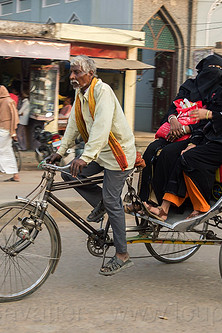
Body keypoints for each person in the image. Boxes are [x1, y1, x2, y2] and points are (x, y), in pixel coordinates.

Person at [48, 55, 136, 276]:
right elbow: (73, 126)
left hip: (118, 155)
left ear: (90, 73)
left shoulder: (102, 91)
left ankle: (122, 255)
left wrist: (85, 157)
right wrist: (60, 152)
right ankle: (103, 203)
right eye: (71, 72)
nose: (72, 76)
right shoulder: (80, 94)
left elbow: (101, 127)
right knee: (69, 175)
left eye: (77, 72)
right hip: (99, 153)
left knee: (112, 200)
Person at [145, 59, 222, 221]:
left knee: (189, 158)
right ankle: (162, 206)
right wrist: (194, 141)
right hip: (211, 137)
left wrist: (210, 115)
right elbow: (205, 124)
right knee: (169, 152)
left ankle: (201, 205)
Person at [133, 55, 222, 208]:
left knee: (167, 154)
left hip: (198, 135)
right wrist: (173, 120)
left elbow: (212, 119)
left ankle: (161, 201)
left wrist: (187, 129)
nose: (214, 71)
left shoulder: (219, 92)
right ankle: (142, 199)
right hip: (175, 128)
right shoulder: (189, 85)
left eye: (219, 69)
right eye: (211, 67)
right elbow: (173, 106)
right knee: (150, 151)